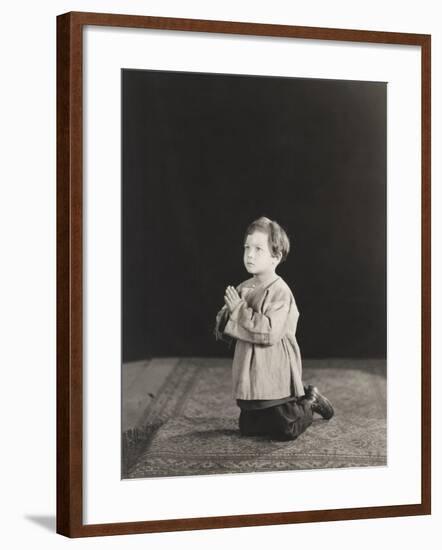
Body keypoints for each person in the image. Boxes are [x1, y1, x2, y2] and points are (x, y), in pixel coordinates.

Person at [214, 216, 334, 441]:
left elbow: (269, 332)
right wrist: (227, 314)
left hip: (273, 363)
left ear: (276, 257)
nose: (249, 254)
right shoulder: (244, 287)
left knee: (285, 428)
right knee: (249, 428)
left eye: (258, 249)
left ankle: (309, 400)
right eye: (247, 248)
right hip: (250, 367)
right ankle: (264, 411)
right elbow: (226, 325)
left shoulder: (280, 292)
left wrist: (239, 311)